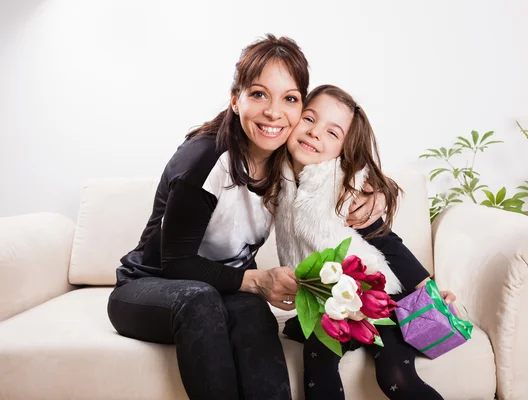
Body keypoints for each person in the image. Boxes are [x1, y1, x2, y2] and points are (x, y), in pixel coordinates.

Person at [107, 36, 384, 400]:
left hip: (221, 288)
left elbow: (346, 159)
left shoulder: (285, 158)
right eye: (258, 94)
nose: (273, 112)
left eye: (289, 99)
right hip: (148, 287)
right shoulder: (204, 160)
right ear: (235, 99)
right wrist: (255, 281)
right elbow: (176, 264)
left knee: (253, 311)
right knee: (202, 299)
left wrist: (380, 190)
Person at [277, 85, 453, 399]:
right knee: (318, 357)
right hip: (332, 307)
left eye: (332, 133)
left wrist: (430, 291)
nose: (315, 133)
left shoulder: (344, 186)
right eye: (308, 119)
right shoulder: (279, 177)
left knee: (395, 375)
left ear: (344, 149)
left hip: (380, 302)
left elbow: (386, 241)